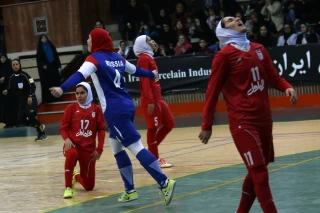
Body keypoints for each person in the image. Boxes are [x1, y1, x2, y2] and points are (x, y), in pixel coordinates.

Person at [50, 28, 176, 205]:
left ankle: (164, 182)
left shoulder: (93, 59)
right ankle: (130, 190)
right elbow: (135, 70)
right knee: (116, 147)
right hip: (127, 105)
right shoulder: (118, 57)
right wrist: (151, 74)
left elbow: (79, 75)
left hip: (114, 110)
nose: (87, 41)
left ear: (97, 41)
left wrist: (62, 88)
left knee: (136, 147)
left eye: (89, 38)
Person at [198, 17, 298, 213]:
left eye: (236, 17)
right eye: (229, 20)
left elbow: (273, 77)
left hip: (264, 119)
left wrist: (287, 87)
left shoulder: (259, 49)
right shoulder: (224, 56)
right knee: (259, 172)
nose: (237, 19)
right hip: (243, 122)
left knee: (257, 170)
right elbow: (212, 91)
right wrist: (206, 124)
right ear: (223, 32)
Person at [133, 35, 175, 168]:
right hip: (151, 99)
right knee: (152, 128)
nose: (152, 42)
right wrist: (150, 100)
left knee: (169, 123)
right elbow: (145, 81)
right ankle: (154, 159)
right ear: (142, 44)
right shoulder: (144, 59)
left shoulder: (149, 57)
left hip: (158, 98)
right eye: (149, 40)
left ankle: (151, 153)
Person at [61, 82, 106, 199]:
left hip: (89, 149)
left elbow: (101, 130)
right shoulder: (71, 108)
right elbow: (63, 128)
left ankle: (75, 176)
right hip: (73, 145)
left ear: (89, 93)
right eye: (77, 93)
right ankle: (68, 187)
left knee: (89, 186)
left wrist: (99, 149)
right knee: (71, 154)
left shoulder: (96, 109)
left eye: (82, 93)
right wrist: (66, 139)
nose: (79, 96)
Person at [3, 59, 47, 141]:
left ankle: (42, 134)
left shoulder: (26, 75)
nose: (15, 66)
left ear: (19, 65)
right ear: (11, 67)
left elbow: (33, 85)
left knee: (31, 116)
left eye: (17, 64)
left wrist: (30, 96)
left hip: (30, 100)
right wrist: (6, 90)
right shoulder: (11, 77)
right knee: (21, 119)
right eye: (13, 65)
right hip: (21, 102)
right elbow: (9, 87)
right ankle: (39, 126)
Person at [36, 34, 62, 103]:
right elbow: (39, 60)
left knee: (55, 82)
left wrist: (59, 66)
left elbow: (56, 57)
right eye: (42, 38)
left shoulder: (51, 46)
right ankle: (49, 99)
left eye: (45, 38)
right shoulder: (40, 49)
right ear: (40, 40)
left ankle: (57, 97)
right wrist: (43, 65)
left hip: (53, 68)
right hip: (46, 71)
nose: (44, 39)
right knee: (48, 85)